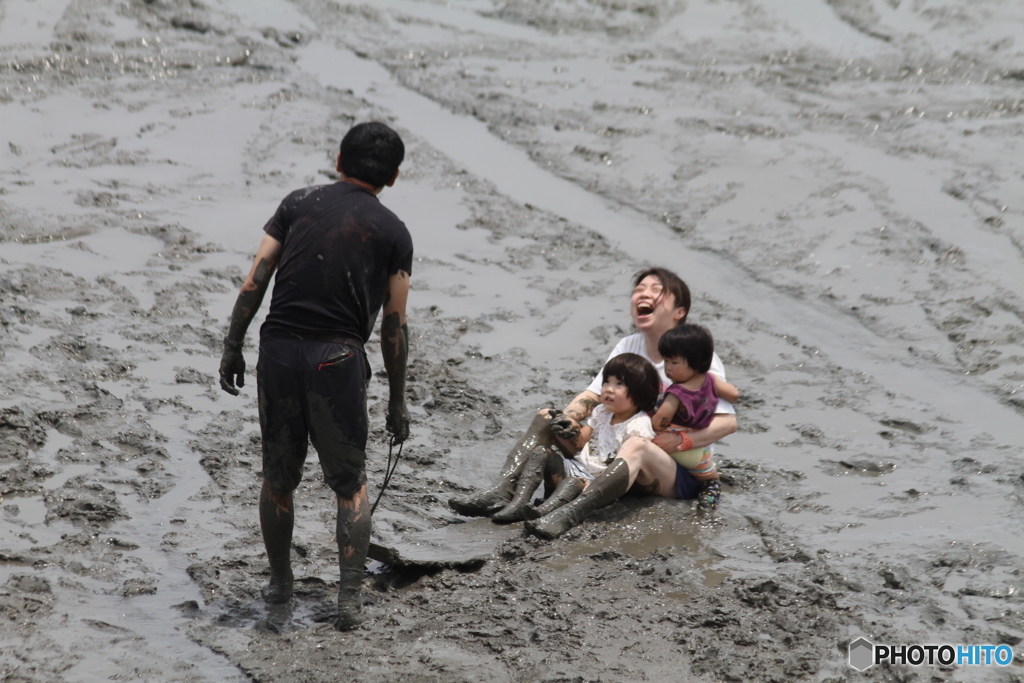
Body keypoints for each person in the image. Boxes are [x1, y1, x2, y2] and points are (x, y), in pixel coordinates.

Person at [218, 121, 412, 630]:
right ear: (393, 177)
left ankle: (280, 584)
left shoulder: (297, 203)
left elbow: (256, 277)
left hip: (279, 352)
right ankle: (349, 601)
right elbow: (393, 329)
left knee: (278, 478)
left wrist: (232, 345)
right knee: (349, 486)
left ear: (338, 161)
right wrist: (397, 400)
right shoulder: (394, 233)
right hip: (338, 361)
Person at [449, 266, 737, 531]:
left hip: (669, 471)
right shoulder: (629, 345)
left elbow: (727, 425)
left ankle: (570, 513)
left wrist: (680, 441)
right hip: (614, 461)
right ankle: (502, 491)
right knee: (548, 416)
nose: (643, 294)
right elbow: (595, 395)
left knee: (637, 444)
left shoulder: (699, 360)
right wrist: (568, 418)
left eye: (656, 290)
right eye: (639, 289)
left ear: (679, 311)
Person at [650, 323, 740, 509]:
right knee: (708, 477)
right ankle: (710, 490)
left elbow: (660, 423)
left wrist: (650, 412)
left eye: (674, 363)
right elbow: (734, 395)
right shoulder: (711, 379)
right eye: (666, 362)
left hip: (679, 451)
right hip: (702, 448)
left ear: (696, 362)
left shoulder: (676, 394)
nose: (668, 369)